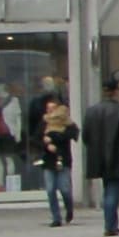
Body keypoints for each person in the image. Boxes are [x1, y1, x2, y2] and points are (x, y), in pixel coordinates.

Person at [82, 85, 119, 237]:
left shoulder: (91, 111)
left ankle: (111, 224)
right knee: (113, 190)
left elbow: (86, 136)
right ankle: (110, 225)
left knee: (107, 188)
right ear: (115, 91)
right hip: (117, 155)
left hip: (98, 156)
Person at [34, 92, 75, 227]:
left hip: (63, 158)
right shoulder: (44, 123)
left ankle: (69, 209)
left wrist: (54, 137)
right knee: (50, 189)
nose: (50, 111)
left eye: (52, 108)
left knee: (65, 189)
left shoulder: (66, 122)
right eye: (48, 109)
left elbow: (73, 134)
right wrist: (45, 143)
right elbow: (36, 138)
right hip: (48, 160)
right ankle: (56, 217)